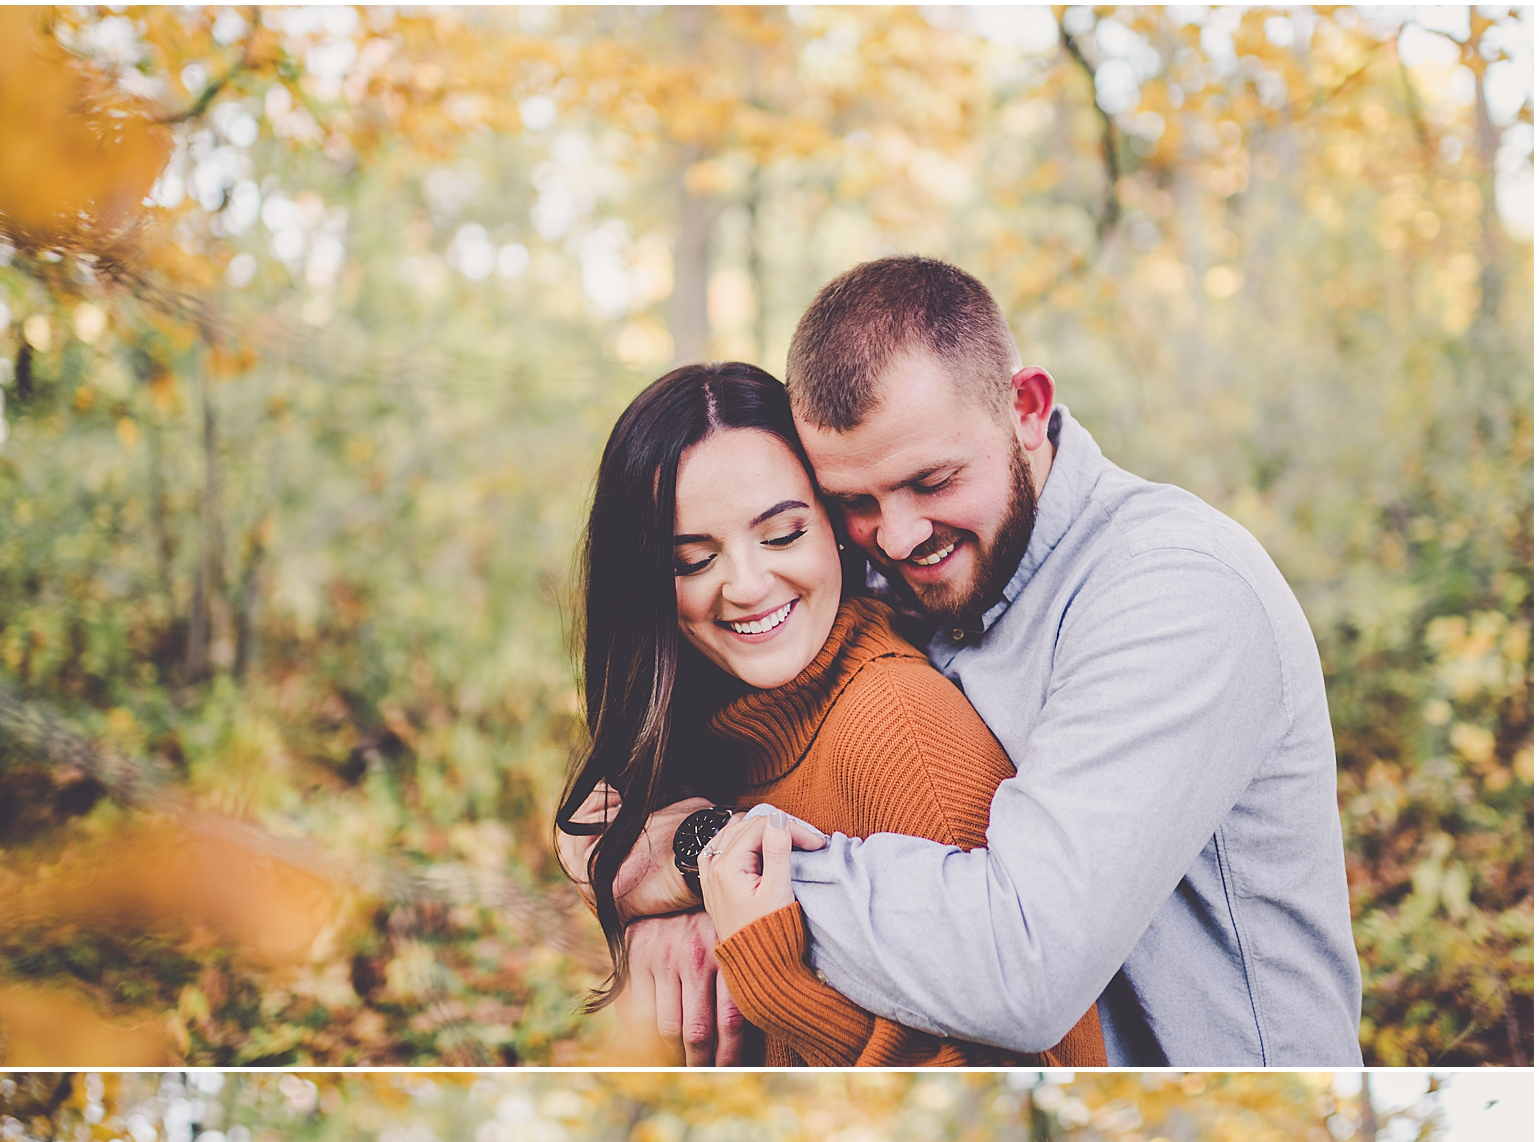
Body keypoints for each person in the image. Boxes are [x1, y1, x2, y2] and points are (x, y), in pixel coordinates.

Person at [573, 257, 1364, 1069]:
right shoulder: (882, 563)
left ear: (1026, 408)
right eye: (855, 501)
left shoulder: (1175, 593)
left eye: (933, 480)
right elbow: (608, 807)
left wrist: (721, 871)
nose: (900, 535)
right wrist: (655, 880)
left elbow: (1022, 962)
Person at [555, 360, 1105, 1067]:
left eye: (782, 535)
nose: (747, 586)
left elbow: (1053, 1066)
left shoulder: (900, 730)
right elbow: (604, 837)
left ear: (837, 526)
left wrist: (778, 983)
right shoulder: (710, 725)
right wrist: (662, 898)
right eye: (693, 560)